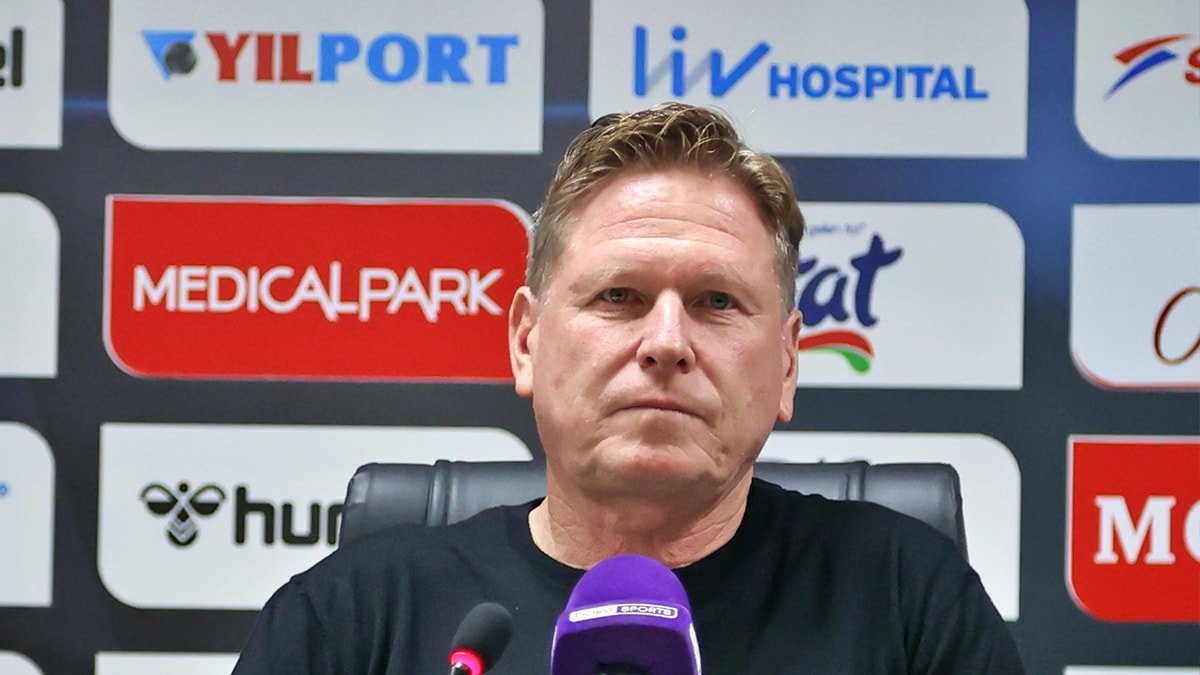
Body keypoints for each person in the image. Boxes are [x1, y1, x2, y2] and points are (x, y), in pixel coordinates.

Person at [232, 103, 1024, 673]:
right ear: (526, 341)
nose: (667, 342)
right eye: (619, 296)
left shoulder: (906, 601)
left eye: (717, 301)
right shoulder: (348, 620)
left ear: (787, 364)